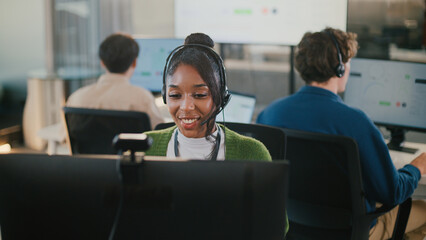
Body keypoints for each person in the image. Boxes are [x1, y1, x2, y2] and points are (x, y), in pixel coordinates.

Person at [256, 27, 426, 239]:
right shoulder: (356, 122)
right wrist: (416, 167)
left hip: (293, 227)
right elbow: (391, 193)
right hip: (351, 232)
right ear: (340, 68)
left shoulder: (269, 115)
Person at [143, 32, 288, 235]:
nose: (186, 107)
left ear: (221, 96)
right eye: (175, 95)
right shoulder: (144, 147)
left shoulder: (252, 152)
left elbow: (275, 227)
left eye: (200, 95)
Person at [66, 33, 163, 129]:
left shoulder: (76, 98)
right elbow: (162, 135)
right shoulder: (143, 98)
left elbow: (64, 137)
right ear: (134, 62)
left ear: (102, 63)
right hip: (129, 145)